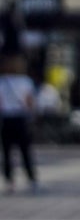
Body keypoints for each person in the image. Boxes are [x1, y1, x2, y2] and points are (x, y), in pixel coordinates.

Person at [0, 53, 38, 194]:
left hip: (7, 119)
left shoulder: (2, 81)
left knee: (7, 152)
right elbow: (29, 102)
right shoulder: (25, 81)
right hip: (20, 118)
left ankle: (10, 181)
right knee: (25, 151)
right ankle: (32, 179)